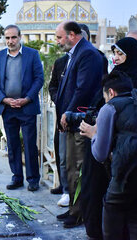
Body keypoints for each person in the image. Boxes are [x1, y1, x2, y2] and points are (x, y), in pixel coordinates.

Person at [80, 70, 137, 240]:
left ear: (110, 92)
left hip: (126, 173)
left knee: (112, 214)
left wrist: (93, 134)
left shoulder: (110, 107)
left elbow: (100, 154)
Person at [54, 21, 103, 228]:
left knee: (79, 169)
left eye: (59, 37)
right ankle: (74, 209)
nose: (57, 42)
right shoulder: (76, 53)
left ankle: (81, 213)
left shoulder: (88, 54)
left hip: (79, 120)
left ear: (72, 35)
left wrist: (68, 112)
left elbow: (82, 89)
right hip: (71, 121)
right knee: (71, 168)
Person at [0, 24, 44, 191]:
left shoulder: (32, 54)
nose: (10, 41)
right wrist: (4, 99)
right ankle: (17, 177)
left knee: (29, 144)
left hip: (26, 107)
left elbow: (39, 78)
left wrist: (27, 99)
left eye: (13, 37)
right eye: (7, 38)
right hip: (8, 108)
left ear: (20, 37)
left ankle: (33, 179)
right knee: (12, 144)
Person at [79, 23, 110, 240]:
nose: (116, 57)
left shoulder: (99, 58)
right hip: (88, 123)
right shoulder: (69, 60)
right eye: (115, 53)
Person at [49, 54, 69, 205]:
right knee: (59, 151)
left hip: (78, 114)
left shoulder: (94, 58)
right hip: (60, 112)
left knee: (73, 157)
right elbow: (52, 85)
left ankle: (70, 191)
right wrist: (59, 99)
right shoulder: (60, 61)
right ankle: (63, 185)